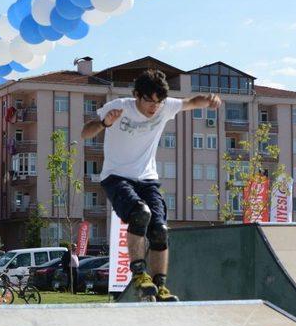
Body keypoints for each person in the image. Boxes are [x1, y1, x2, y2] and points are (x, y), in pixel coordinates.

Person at [81, 69, 221, 301]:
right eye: (149, 101)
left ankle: (159, 286)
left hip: (147, 178)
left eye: (158, 102)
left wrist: (209, 99)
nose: (153, 107)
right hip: (116, 177)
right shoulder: (121, 106)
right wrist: (105, 123)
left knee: (160, 230)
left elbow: (190, 101)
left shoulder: (165, 107)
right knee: (139, 214)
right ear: (137, 95)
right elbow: (86, 132)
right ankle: (138, 275)